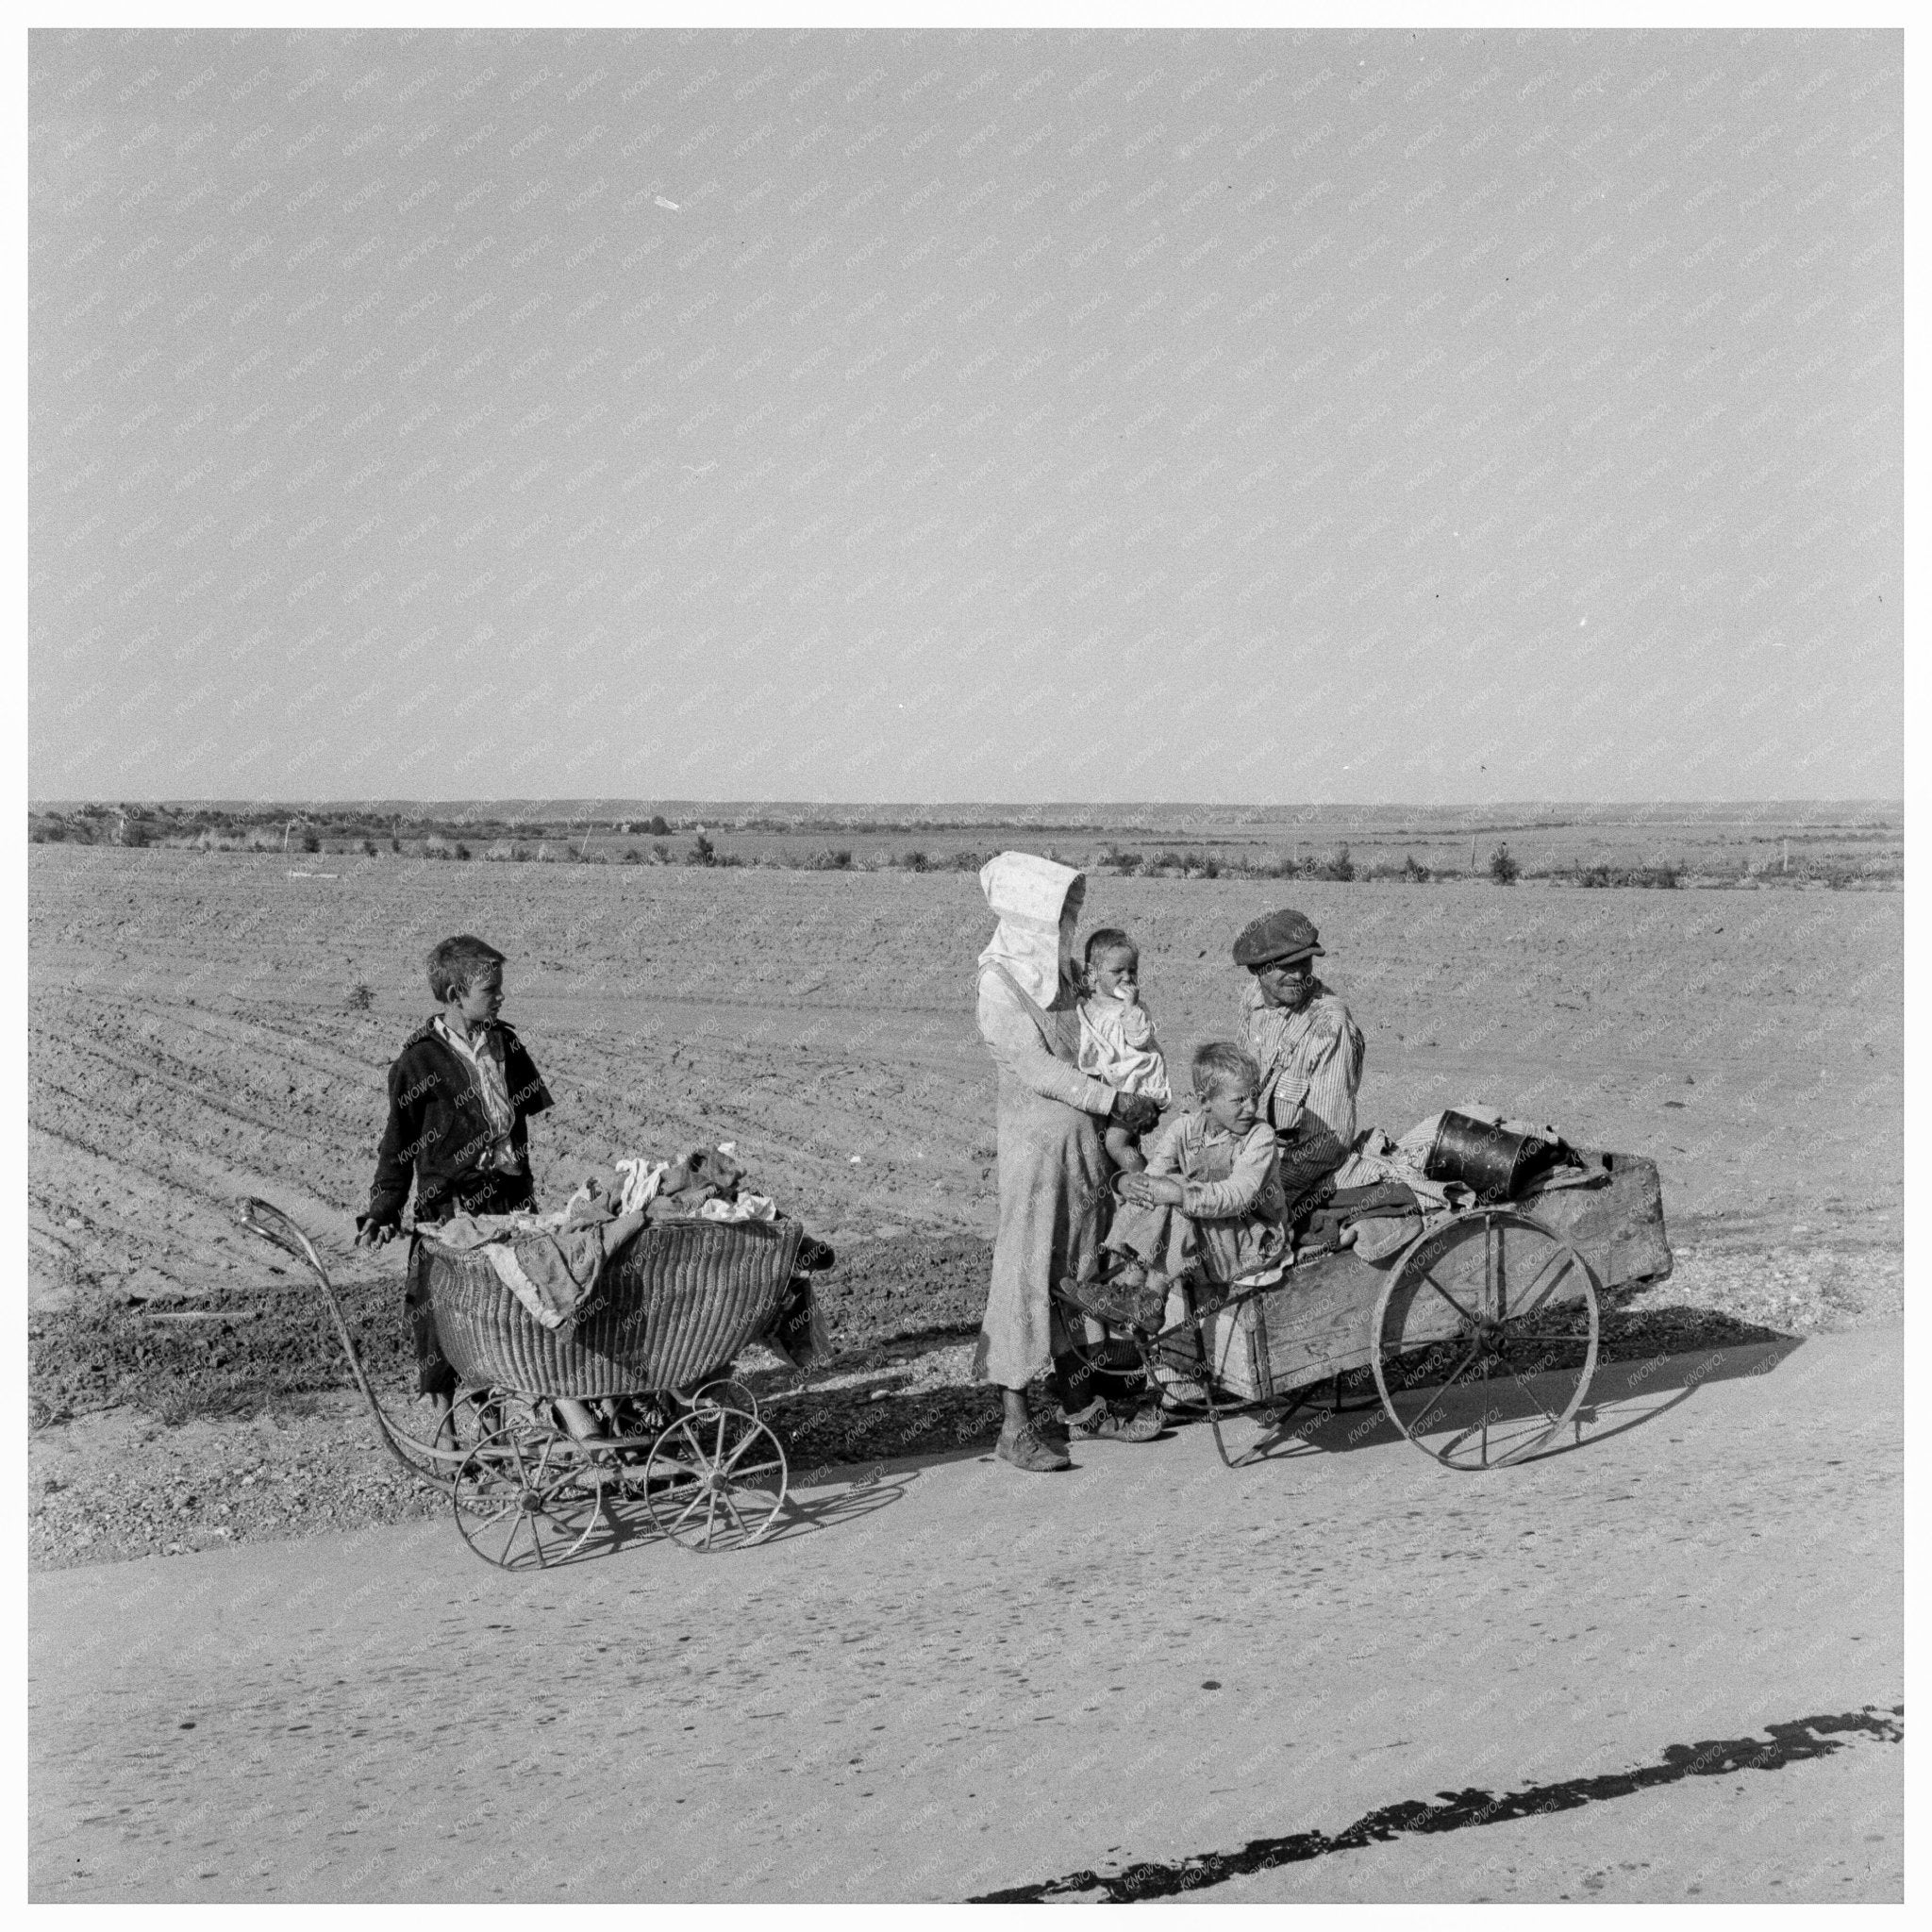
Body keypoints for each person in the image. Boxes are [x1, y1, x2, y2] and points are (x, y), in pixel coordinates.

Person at [974, 853, 1165, 1472]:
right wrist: (1115, 1099)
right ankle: (1015, 1425)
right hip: (1036, 1159)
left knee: (1081, 1277)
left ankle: (1084, 1408)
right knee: (1027, 1277)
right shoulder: (999, 983)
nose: (1063, 924)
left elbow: (1097, 1039)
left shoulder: (1055, 972)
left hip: (1083, 1150)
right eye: (1054, 912)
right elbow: (1036, 1068)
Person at [355, 934, 555, 1414]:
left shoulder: (507, 1043)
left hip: (508, 1202)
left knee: (509, 1312)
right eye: (491, 990)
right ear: (454, 996)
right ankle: (444, 1421)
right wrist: (383, 1211)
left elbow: (520, 1121)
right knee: (440, 1314)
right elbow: (398, 1146)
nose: (502, 997)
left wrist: (517, 1179)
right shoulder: (418, 1061)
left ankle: (494, 1416)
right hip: (450, 1211)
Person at [1075, 1042, 1288, 1327]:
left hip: (1251, 1240)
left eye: (1255, 1097)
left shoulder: (1259, 1136)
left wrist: (1179, 1193)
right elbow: (1153, 1178)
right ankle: (1131, 1287)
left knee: (1177, 1195)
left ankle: (1150, 1298)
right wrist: (1127, 1183)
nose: (1251, 1107)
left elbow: (1238, 1196)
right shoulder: (1184, 1129)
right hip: (1211, 1234)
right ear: (1205, 1101)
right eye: (1239, 1100)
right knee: (1156, 1190)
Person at [1232, 908, 1366, 1218]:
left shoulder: (1329, 1024)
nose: (1299, 975)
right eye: (1286, 966)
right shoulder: (1252, 999)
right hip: (1249, 1157)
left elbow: (1329, 1143)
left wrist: (1256, 1189)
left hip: (1292, 1179)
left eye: (1304, 962)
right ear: (1257, 970)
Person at [1076, 926, 1171, 1175]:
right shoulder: (1091, 1004)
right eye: (1118, 971)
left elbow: (1140, 1039)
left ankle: (1146, 1184)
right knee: (1109, 1142)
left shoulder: (1134, 1010)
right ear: (1093, 974)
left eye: (1132, 970)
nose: (1127, 977)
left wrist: (1131, 1007)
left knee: (1116, 1143)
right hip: (1116, 1090)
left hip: (1138, 1090)